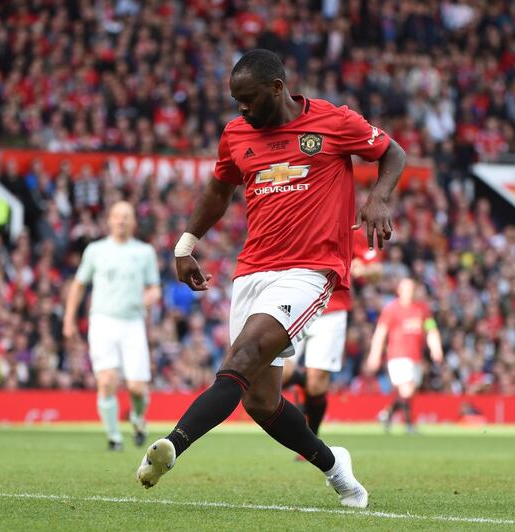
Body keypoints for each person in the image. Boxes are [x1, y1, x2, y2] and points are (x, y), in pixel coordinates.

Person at [135, 49, 406, 508]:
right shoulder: (236, 133)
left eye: (248, 99)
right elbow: (219, 190)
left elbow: (392, 152)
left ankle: (172, 446)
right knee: (260, 402)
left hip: (310, 271)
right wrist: (185, 245)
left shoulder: (334, 122)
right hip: (252, 271)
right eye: (235, 100)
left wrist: (379, 196)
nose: (241, 109)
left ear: (277, 89)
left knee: (239, 360)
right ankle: (337, 468)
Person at [63, 201, 161, 451]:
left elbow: (154, 288)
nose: (121, 220)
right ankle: (114, 437)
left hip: (132, 323)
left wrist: (148, 298)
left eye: (126, 216)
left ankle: (138, 419)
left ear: (133, 222)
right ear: (109, 220)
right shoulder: (95, 250)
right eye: (117, 216)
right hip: (103, 321)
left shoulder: (144, 252)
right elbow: (78, 284)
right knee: (106, 380)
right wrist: (69, 319)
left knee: (137, 388)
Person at [282, 229, 381, 441]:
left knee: (317, 381)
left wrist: (365, 270)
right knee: (279, 372)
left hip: (331, 309)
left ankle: (310, 438)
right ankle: (301, 381)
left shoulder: (348, 230)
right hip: (293, 306)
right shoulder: (295, 219)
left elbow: (377, 270)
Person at [363, 278, 443, 434]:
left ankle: (387, 414)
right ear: (399, 291)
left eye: (412, 289)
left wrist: (436, 347)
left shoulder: (422, 309)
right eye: (406, 289)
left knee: (409, 391)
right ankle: (409, 425)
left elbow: (431, 329)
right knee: (407, 389)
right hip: (398, 355)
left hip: (416, 356)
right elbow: (381, 332)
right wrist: (374, 354)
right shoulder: (391, 309)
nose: (409, 292)